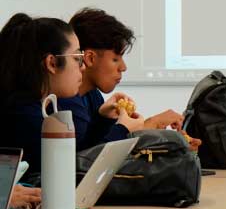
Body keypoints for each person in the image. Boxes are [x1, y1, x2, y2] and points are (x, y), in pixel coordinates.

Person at [56, 8, 186, 151]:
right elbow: (85, 160)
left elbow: (94, 146)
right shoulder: (64, 102)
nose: (123, 67)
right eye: (115, 59)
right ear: (90, 58)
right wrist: (147, 124)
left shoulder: (93, 96)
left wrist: (105, 119)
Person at [0, 14, 79, 194]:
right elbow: (72, 166)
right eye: (77, 58)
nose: (82, 67)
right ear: (52, 63)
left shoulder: (31, 107)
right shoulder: (23, 116)